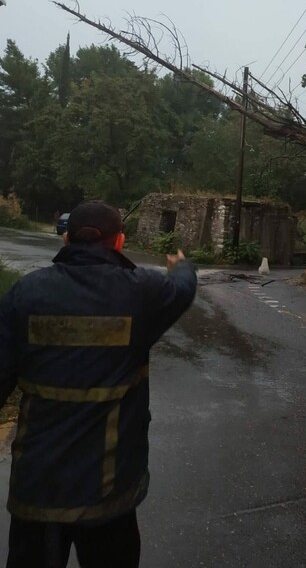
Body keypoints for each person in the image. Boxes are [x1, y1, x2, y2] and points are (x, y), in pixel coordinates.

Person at [0, 200, 197, 568]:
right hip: (109, 495)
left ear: (65, 241)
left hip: (37, 489)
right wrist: (182, 266)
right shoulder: (140, 293)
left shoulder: (24, 295)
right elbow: (183, 291)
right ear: (119, 242)